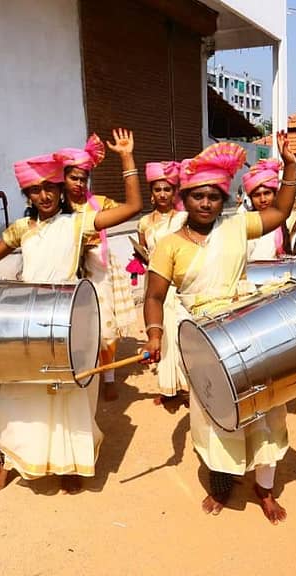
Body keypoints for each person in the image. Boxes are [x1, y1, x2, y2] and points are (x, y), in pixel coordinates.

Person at [0, 129, 141, 494]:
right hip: (27, 322)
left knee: (71, 394)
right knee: (17, 394)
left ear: (62, 191)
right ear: (26, 194)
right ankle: (9, 460)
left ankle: (69, 465)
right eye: (35, 190)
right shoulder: (21, 229)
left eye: (50, 188)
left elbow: (132, 209)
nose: (43, 196)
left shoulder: (77, 223)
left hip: (67, 321)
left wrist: (126, 158)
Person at [141, 135, 296, 524]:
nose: (206, 203)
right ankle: (223, 484)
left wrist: (291, 166)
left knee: (264, 408)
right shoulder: (169, 244)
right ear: (184, 199)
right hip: (202, 338)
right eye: (198, 196)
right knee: (217, 414)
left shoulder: (235, 226)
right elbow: (155, 297)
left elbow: (280, 211)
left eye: (213, 196)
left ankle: (264, 487)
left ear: (222, 198)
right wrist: (155, 334)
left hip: (245, 328)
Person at [57, 135, 141, 402]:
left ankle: (107, 377)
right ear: (63, 178)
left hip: (97, 268)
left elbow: (131, 208)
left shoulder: (100, 204)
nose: (80, 184)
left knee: (105, 328)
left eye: (84, 178)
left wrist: (126, 158)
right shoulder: (54, 206)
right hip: (65, 270)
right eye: (74, 178)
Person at [137, 160, 187, 405]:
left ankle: (188, 384)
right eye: (158, 189)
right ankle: (168, 386)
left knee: (181, 332)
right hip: (157, 285)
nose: (163, 194)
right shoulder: (144, 223)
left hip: (180, 284)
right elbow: (143, 251)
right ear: (152, 194)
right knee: (162, 333)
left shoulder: (185, 218)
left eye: (168, 189)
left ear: (175, 192)